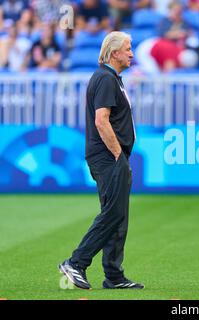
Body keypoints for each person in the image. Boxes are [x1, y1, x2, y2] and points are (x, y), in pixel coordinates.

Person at [59, 31, 144, 290]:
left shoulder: (110, 78)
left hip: (111, 155)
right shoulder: (106, 78)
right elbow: (101, 120)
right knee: (114, 213)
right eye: (127, 48)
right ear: (114, 52)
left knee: (118, 215)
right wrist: (118, 154)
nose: (131, 53)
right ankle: (76, 262)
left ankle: (114, 276)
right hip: (109, 155)